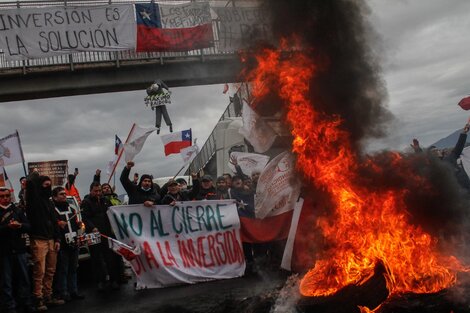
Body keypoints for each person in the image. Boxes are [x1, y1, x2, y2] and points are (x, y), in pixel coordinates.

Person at [25, 171, 64, 310]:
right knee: (39, 271)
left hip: (51, 239)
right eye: (46, 185)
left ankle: (48, 295)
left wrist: (58, 238)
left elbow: (54, 221)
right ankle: (38, 298)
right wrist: (34, 175)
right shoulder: (33, 201)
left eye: (50, 185)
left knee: (50, 270)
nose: (48, 187)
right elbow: (30, 185)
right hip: (39, 240)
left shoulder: (49, 202)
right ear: (39, 186)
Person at [81, 182, 121, 291]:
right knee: (96, 258)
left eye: (99, 191)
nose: (98, 193)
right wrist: (92, 227)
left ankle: (113, 280)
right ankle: (100, 281)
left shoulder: (105, 200)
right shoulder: (86, 202)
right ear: (91, 190)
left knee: (110, 257)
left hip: (106, 233)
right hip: (93, 234)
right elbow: (84, 217)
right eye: (96, 191)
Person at [0, 187, 34, 313]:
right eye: (2, 196)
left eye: (7, 195)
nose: (5, 198)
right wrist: (7, 227)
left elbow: (29, 226)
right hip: (4, 251)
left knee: (24, 278)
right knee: (6, 281)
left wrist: (20, 226)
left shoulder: (17, 210)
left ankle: (26, 302)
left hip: (19, 249)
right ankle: (10, 306)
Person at [52, 187, 84, 302]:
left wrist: (79, 226)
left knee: (73, 268)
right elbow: (50, 225)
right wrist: (57, 223)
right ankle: (64, 292)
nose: (64, 196)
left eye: (65, 194)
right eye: (61, 194)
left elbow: (76, 224)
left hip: (74, 242)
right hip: (62, 244)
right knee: (63, 269)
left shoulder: (72, 208)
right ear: (55, 197)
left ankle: (74, 291)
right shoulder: (53, 210)